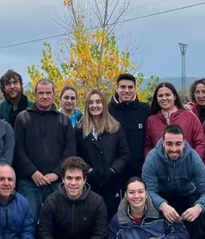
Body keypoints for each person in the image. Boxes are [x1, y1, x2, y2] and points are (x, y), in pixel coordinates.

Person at [13, 79, 75, 221]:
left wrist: (57, 173)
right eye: (41, 93)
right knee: (28, 222)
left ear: (54, 94)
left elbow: (70, 151)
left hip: (57, 183)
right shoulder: (23, 118)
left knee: (60, 221)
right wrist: (33, 172)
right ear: (35, 95)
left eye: (48, 93)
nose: (45, 96)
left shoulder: (64, 120)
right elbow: (18, 149)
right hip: (29, 182)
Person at [75, 89, 130, 219]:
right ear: (87, 105)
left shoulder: (115, 127)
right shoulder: (79, 129)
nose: (95, 105)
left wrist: (113, 169)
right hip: (89, 184)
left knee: (111, 220)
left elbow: (124, 154)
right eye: (91, 102)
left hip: (112, 183)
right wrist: (88, 170)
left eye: (98, 102)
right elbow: (75, 155)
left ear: (104, 105)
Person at [108, 73, 149, 191]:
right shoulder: (107, 110)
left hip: (139, 169)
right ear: (117, 88)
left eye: (130, 87)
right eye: (123, 87)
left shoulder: (144, 109)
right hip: (114, 169)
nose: (126, 90)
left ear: (135, 88)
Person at [144, 81, 205, 158]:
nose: (164, 98)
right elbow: (148, 146)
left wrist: (192, 163)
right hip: (160, 168)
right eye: (160, 95)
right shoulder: (151, 121)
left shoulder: (190, 117)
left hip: (187, 167)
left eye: (168, 95)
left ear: (175, 96)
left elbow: (200, 143)